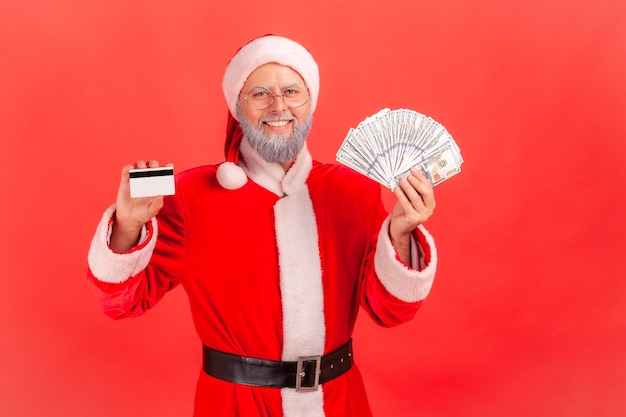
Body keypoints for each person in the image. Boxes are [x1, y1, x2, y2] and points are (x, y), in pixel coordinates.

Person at [87, 34, 438, 417]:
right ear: (238, 107)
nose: (279, 106)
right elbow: (122, 302)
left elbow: (391, 311)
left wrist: (401, 234)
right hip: (234, 405)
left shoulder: (353, 190)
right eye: (260, 94)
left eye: (291, 91)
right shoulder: (189, 196)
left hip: (340, 403)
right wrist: (126, 226)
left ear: (310, 103)